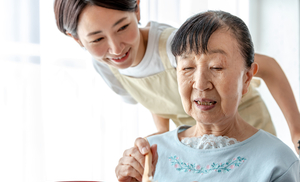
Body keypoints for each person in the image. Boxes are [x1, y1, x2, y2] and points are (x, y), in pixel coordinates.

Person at [53, 0, 300, 151]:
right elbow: (155, 96)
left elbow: (268, 67)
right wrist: (162, 132)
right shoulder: (106, 66)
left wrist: (297, 130)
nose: (116, 49)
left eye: (123, 27)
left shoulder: (174, 45)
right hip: (199, 141)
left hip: (243, 126)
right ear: (76, 39)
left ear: (137, 9)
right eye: (96, 39)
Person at [115, 10, 300, 182]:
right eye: (187, 68)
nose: (201, 84)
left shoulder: (278, 162)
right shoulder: (151, 156)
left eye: (216, 67)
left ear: (247, 78)